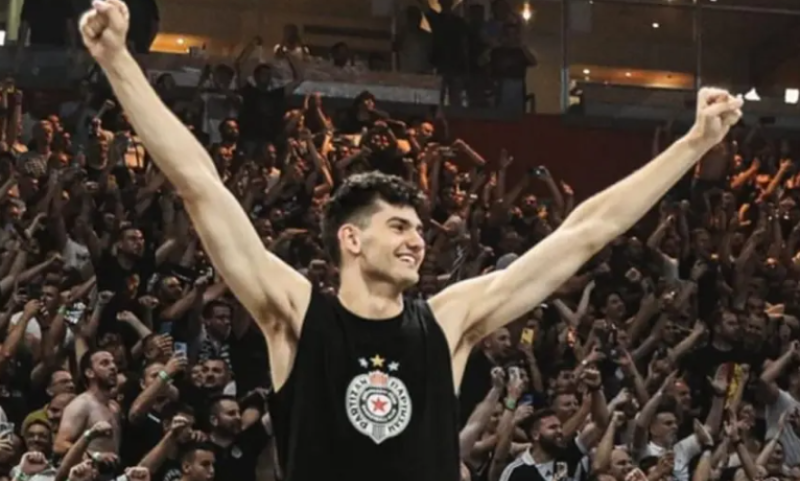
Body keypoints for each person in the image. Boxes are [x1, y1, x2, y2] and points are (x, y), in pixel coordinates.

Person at [77, 2, 744, 481]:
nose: (417, 241)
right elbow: (201, 186)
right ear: (350, 239)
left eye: (419, 229)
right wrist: (117, 61)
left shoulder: (448, 322)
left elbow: (585, 232)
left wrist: (692, 145)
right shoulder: (297, 315)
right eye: (398, 226)